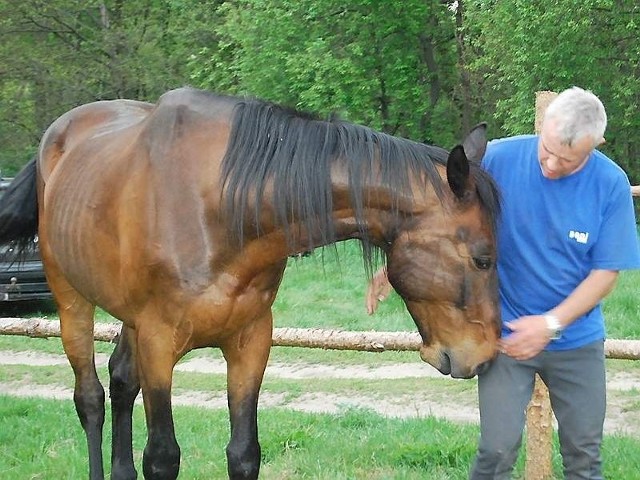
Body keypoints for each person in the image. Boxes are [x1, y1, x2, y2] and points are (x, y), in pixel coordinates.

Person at [366, 86, 640, 479]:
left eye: (566, 160)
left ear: (596, 144)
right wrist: (394, 267)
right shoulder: (498, 157)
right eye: (546, 150)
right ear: (543, 127)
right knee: (495, 453)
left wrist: (549, 325)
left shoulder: (610, 184)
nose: (549, 164)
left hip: (576, 342)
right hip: (505, 335)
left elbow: (605, 274)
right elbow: (438, 218)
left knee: (584, 457)